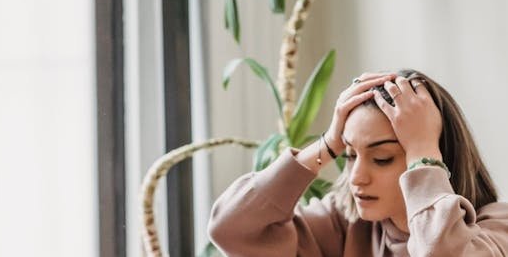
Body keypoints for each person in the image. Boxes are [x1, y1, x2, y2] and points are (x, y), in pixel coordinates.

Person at [208, 70, 508, 256]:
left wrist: (422, 149)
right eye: (350, 155)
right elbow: (231, 229)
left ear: (436, 157)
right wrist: (328, 144)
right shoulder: (345, 226)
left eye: (381, 158)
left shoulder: (496, 230)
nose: (356, 178)